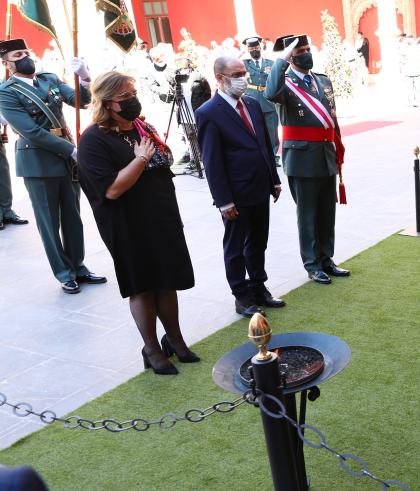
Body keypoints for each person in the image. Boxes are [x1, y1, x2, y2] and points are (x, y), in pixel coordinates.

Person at [77, 71, 197, 375]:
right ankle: (152, 349)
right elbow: (112, 189)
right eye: (125, 97)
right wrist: (141, 159)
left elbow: (164, 163)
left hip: (161, 216)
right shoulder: (94, 139)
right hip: (127, 224)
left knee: (167, 280)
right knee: (142, 286)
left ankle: (176, 339)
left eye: (133, 93)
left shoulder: (142, 126)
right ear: (107, 102)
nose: (132, 100)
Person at [0, 39, 105, 294]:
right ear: (6, 63)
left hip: (67, 159)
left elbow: (82, 102)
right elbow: (32, 131)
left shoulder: (49, 78)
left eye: (26, 51)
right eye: (18, 54)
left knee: (73, 217)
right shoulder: (6, 91)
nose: (25, 57)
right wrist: (71, 149)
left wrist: (85, 78)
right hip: (38, 161)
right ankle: (63, 272)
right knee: (49, 222)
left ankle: (78, 266)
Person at [197, 56, 285, 317]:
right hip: (235, 194)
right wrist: (224, 201)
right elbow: (212, 162)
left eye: (244, 72)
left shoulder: (252, 104)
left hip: (260, 187)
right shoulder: (209, 113)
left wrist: (274, 178)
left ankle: (259, 287)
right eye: (236, 74)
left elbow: (264, 145)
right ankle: (242, 296)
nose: (243, 78)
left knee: (259, 243)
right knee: (235, 248)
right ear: (220, 79)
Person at [265, 34, 351, 284]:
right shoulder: (284, 83)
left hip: (325, 154)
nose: (306, 53)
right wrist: (281, 59)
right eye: (299, 50)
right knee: (308, 215)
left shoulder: (322, 81)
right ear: (290, 56)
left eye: (307, 48)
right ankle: (312, 264)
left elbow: (331, 118)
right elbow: (270, 92)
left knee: (327, 211)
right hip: (302, 158)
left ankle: (327, 259)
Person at [242, 36, 281, 165]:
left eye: (256, 47)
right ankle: (261, 156)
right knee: (255, 130)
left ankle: (273, 156)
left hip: (268, 100)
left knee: (272, 131)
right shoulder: (244, 64)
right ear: (248, 49)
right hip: (251, 100)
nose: (254, 50)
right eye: (251, 48)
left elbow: (277, 81)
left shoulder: (270, 63)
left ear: (261, 47)